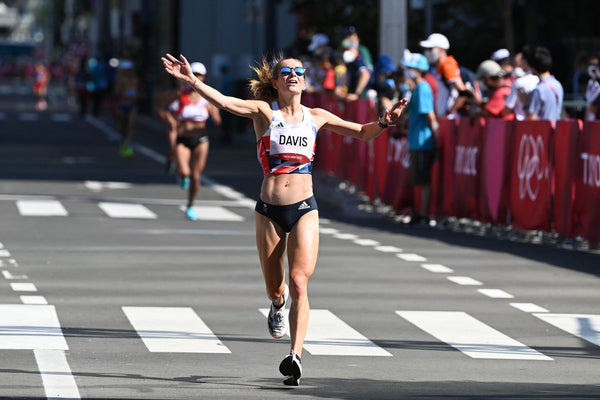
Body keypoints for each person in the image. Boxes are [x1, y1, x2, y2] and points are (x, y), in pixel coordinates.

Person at [161, 52, 407, 385]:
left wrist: (385, 121)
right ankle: (277, 304)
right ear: (276, 83)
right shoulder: (264, 112)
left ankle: (295, 356)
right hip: (269, 210)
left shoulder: (316, 116)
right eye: (285, 71)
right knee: (276, 288)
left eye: (298, 71)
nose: (292, 74)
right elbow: (223, 102)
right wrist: (192, 81)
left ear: (304, 81)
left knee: (300, 283)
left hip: (305, 207)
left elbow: (362, 132)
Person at [164, 61, 222, 220]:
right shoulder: (180, 94)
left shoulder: (208, 97)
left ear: (203, 77)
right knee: (185, 172)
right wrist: (170, 119)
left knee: (196, 176)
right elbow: (165, 109)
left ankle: (190, 205)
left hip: (201, 139)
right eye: (193, 74)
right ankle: (180, 173)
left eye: (199, 75)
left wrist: (214, 114)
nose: (196, 77)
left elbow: (218, 120)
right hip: (182, 139)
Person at [403, 52, 437, 225]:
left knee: (423, 180)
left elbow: (429, 115)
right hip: (417, 140)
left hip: (424, 140)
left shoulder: (423, 88)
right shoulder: (417, 88)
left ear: (419, 70)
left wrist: (436, 136)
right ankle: (420, 211)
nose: (407, 71)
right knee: (418, 178)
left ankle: (424, 214)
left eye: (410, 68)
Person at [419, 33, 473, 117]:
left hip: (451, 120)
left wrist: (449, 113)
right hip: (447, 119)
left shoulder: (447, 65)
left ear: (441, 50)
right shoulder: (441, 66)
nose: (426, 52)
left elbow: (463, 93)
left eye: (430, 49)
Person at [526, 46, 564, 124]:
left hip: (542, 133)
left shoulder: (538, 90)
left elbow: (532, 118)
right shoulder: (558, 85)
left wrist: (524, 103)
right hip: (555, 131)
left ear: (533, 67)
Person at [503, 46, 539, 121]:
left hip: (522, 125)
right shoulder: (540, 80)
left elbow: (507, 109)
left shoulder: (519, 83)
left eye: (519, 64)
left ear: (525, 62)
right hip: (540, 125)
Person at [113, 60, 140, 157]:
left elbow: (138, 91)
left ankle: (130, 144)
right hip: (123, 104)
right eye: (126, 70)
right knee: (123, 124)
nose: (128, 71)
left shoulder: (135, 79)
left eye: (129, 70)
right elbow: (117, 93)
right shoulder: (120, 80)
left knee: (131, 125)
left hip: (132, 104)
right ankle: (124, 139)